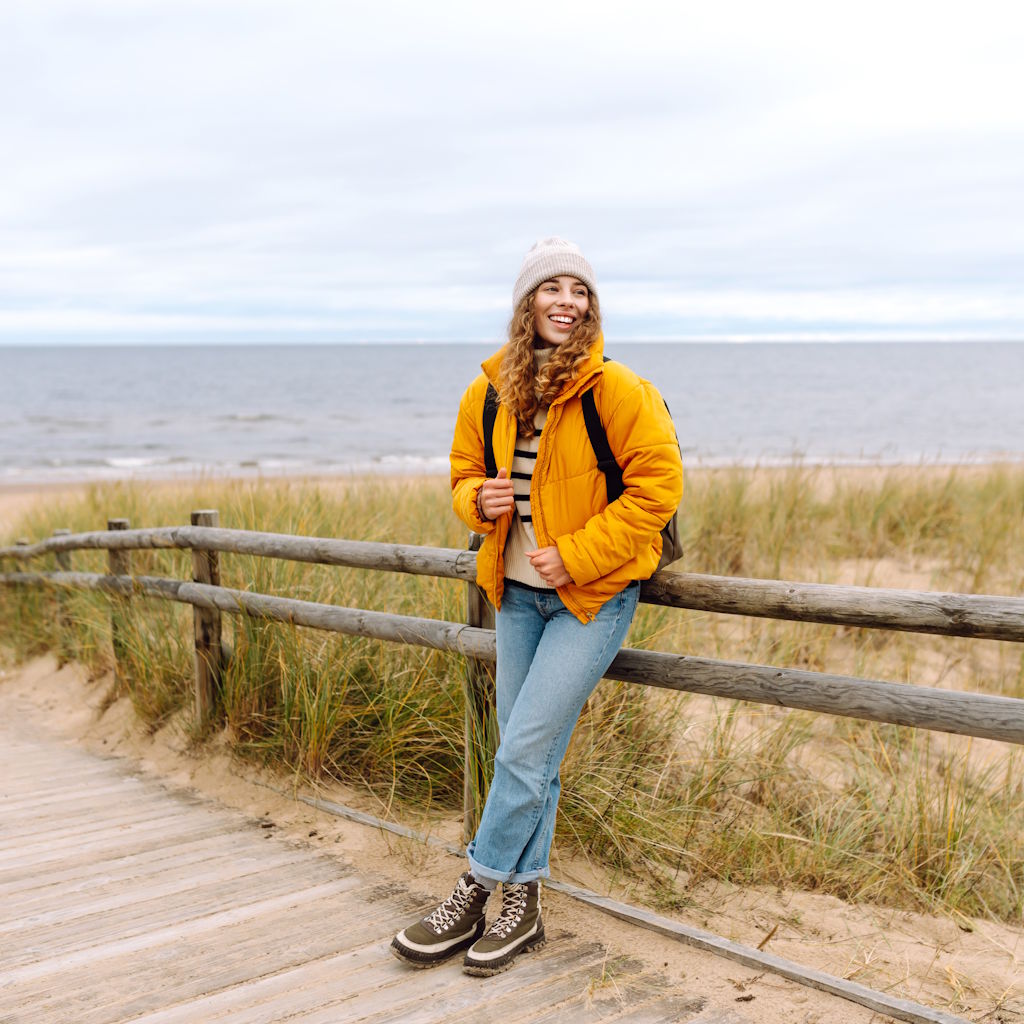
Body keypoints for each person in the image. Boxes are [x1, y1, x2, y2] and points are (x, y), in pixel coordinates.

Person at [391, 237, 683, 977]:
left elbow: (657, 490)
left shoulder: (619, 391)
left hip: (592, 599)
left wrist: (578, 554)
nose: (567, 302)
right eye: (552, 288)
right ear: (527, 303)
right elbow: (462, 474)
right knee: (529, 753)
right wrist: (477, 500)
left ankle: (472, 890)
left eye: (579, 291)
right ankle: (523, 906)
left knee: (523, 749)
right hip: (516, 597)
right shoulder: (490, 390)